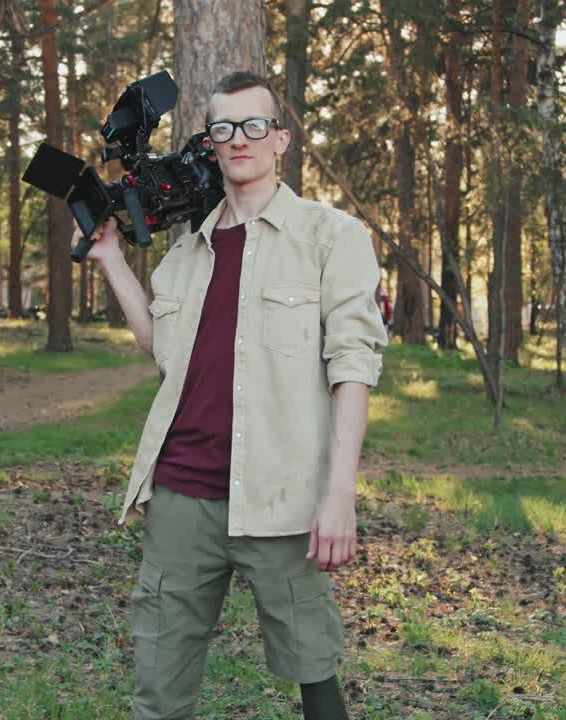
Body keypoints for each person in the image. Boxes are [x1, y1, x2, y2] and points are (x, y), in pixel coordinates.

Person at [74, 71, 387, 720]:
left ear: (281, 140)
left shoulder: (333, 237)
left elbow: (352, 365)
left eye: (253, 125)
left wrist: (339, 495)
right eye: (223, 128)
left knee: (314, 669)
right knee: (159, 689)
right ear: (211, 142)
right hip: (182, 497)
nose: (238, 139)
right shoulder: (189, 249)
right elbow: (165, 345)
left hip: (282, 498)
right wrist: (110, 262)